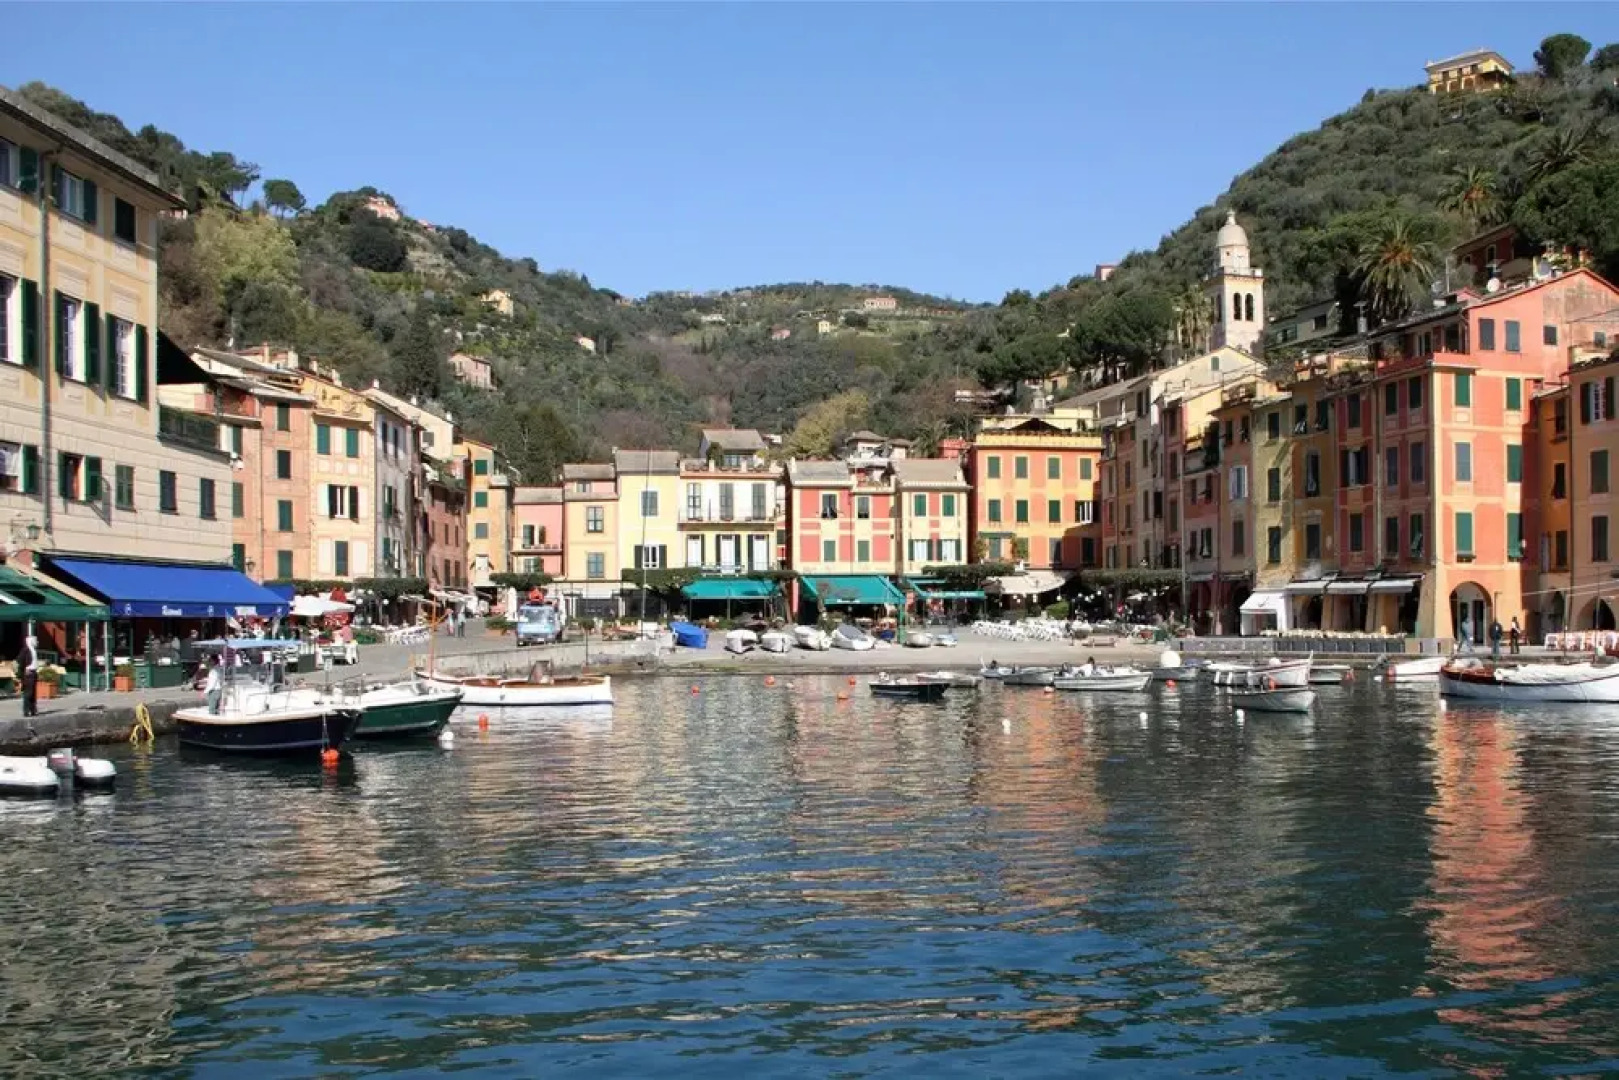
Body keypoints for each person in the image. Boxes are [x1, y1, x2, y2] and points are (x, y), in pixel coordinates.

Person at [18, 635, 39, 718]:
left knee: (33, 692)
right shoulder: (25, 650)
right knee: (28, 693)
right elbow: (20, 660)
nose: (36, 642)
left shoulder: (34, 650)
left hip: (34, 672)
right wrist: (25, 669)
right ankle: (26, 711)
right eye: (35, 640)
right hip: (29, 673)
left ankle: (33, 710)